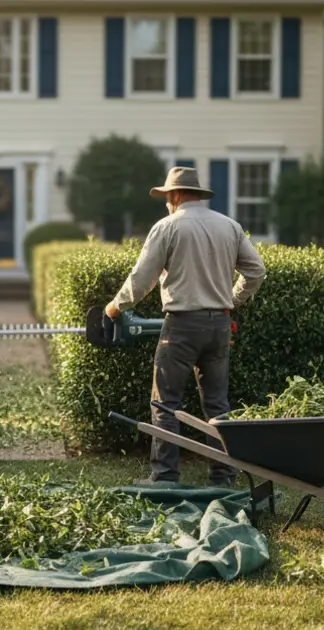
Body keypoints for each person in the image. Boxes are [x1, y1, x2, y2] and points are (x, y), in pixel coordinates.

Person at [105, 166, 267, 487]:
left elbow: (142, 279)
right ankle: (223, 477)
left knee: (165, 402)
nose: (166, 203)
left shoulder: (167, 227)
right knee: (218, 405)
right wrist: (233, 300)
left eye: (167, 197)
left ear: (176, 196)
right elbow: (256, 271)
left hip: (181, 326)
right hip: (219, 324)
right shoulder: (229, 226)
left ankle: (165, 476)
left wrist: (115, 307)